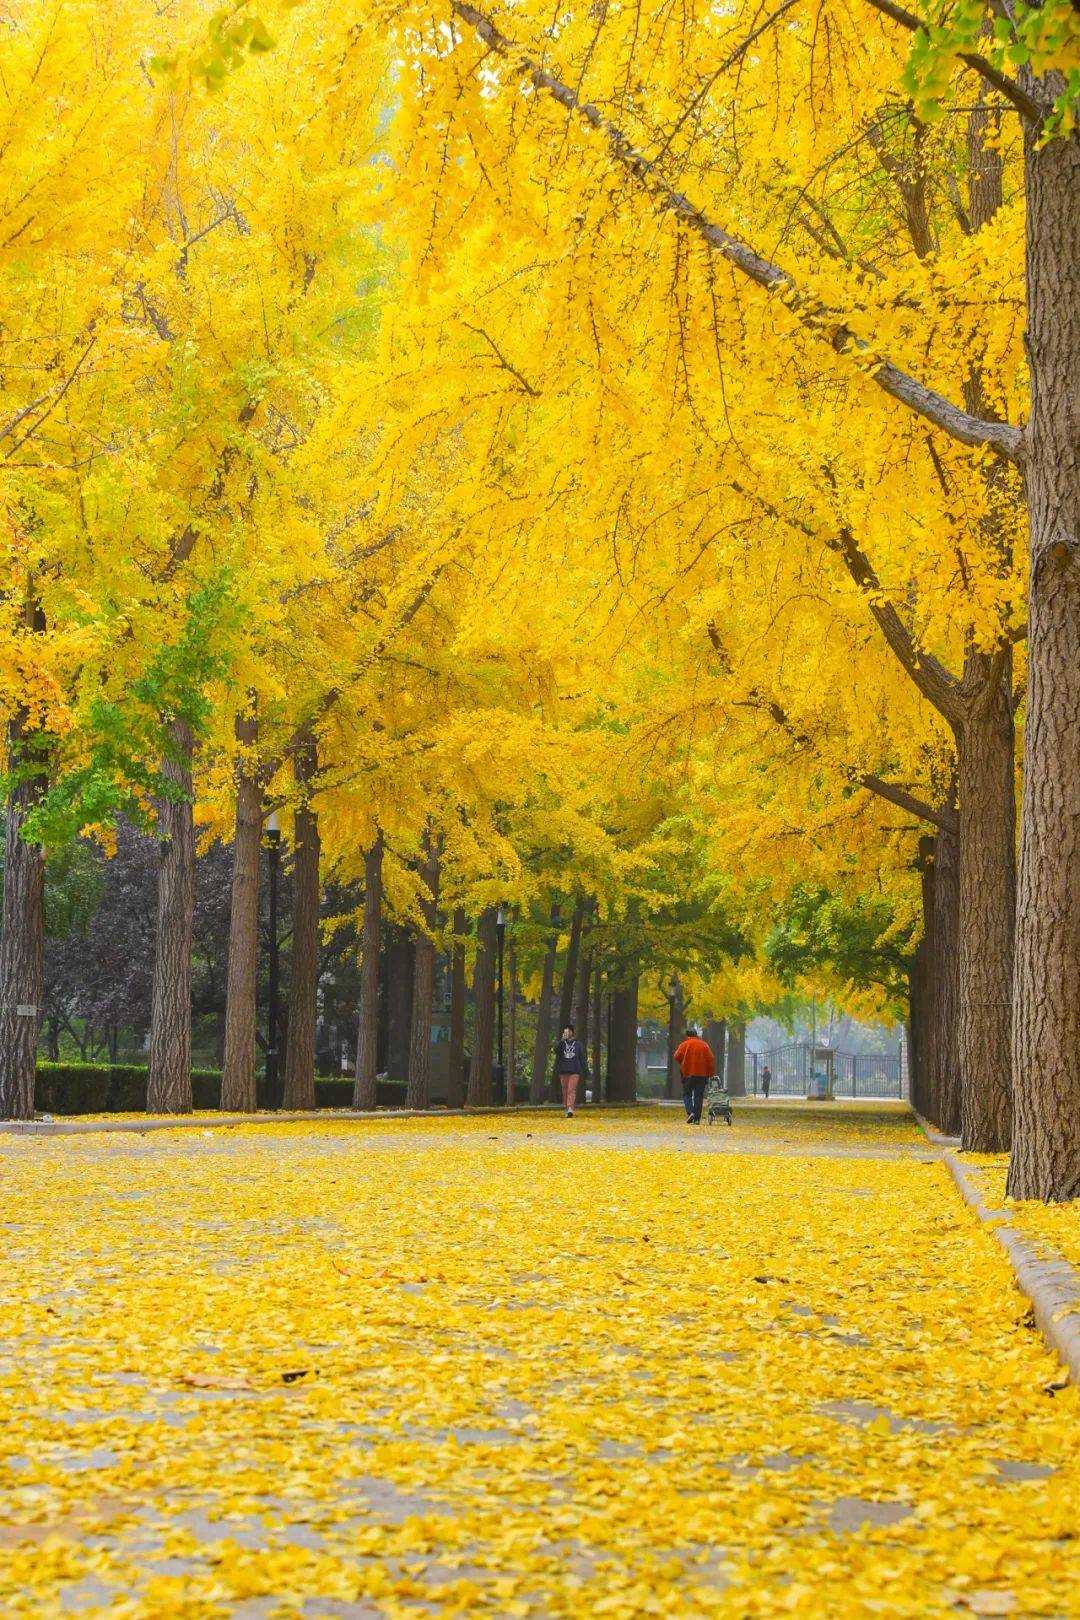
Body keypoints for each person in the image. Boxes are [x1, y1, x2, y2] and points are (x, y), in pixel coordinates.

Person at [673, 1026, 715, 1124]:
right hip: (701, 1074)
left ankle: (690, 1112)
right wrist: (710, 1073)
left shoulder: (683, 1045)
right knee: (698, 1096)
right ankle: (697, 1118)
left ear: (687, 1035)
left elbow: (676, 1056)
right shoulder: (704, 1045)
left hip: (688, 1073)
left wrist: (682, 1062)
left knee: (687, 1094)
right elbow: (711, 1059)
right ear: (696, 1034)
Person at [554, 1024, 587, 1118]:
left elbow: (582, 1058)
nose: (566, 1033)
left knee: (571, 1090)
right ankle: (567, 1107)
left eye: (567, 1031)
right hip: (563, 1070)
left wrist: (585, 1070)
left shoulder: (578, 1044)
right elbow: (556, 1050)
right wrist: (561, 1040)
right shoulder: (562, 1044)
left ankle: (570, 1109)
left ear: (572, 1032)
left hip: (575, 1071)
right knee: (565, 1090)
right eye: (564, 1032)